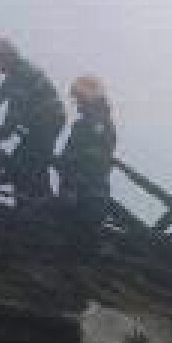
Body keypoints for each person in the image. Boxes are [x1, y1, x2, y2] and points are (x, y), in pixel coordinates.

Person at [0, 38, 66, 207]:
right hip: (42, 123)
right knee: (31, 161)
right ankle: (40, 203)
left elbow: (14, 112)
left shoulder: (23, 74)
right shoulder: (17, 73)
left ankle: (37, 206)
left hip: (46, 123)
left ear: (5, 57)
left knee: (25, 162)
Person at [59, 75, 116, 253]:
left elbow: (91, 158)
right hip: (85, 187)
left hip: (87, 189)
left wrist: (72, 183)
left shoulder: (98, 124)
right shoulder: (88, 124)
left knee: (84, 231)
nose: (77, 104)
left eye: (79, 98)